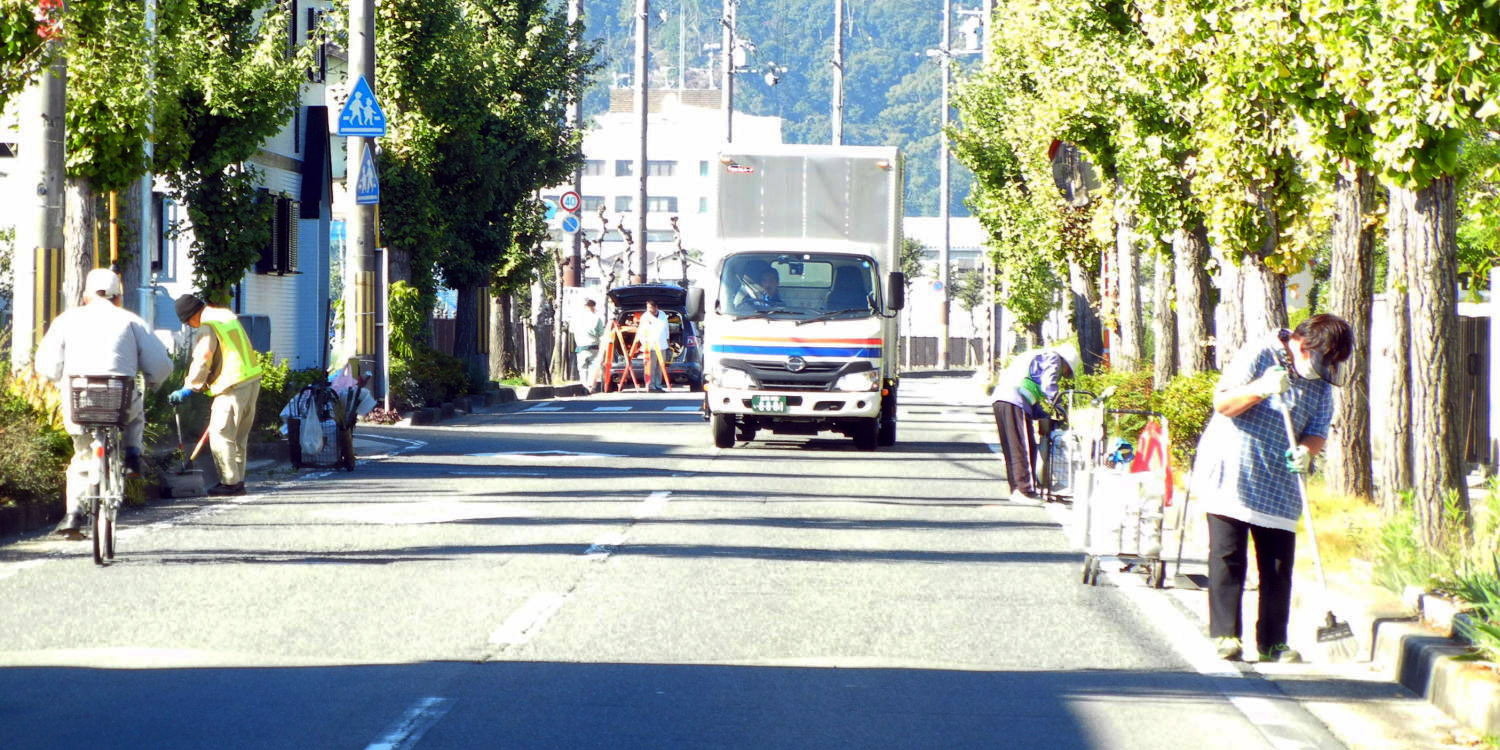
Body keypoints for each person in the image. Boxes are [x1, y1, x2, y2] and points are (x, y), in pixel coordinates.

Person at [1191, 313, 1352, 664]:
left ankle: (1272, 642)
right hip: (1233, 468)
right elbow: (1223, 405)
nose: (1325, 369)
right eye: (1325, 359)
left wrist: (1307, 451)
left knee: (1278, 565)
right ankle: (1226, 636)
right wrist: (1259, 389)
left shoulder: (1321, 382)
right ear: (1302, 345)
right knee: (1228, 556)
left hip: (1281, 477)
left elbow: (1319, 428)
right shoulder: (1260, 354)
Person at [35, 269, 173, 539]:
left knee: (81, 458)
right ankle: (133, 455)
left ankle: (73, 513)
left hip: (79, 401)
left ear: (85, 297)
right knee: (136, 410)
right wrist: (153, 383)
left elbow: (47, 364)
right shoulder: (131, 321)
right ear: (118, 298)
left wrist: (55, 381)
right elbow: (160, 364)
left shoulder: (66, 320)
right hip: (119, 400)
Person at [169, 294, 264, 496]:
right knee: (237, 437)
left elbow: (204, 357)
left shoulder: (207, 325)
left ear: (192, 316)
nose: (191, 327)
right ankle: (237, 480)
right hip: (250, 380)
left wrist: (190, 386)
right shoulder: (225, 316)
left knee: (220, 434)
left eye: (188, 322)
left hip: (232, 384)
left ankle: (230, 483)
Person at [991, 344, 1079, 500]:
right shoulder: (1053, 357)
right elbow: (1048, 386)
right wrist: (1061, 408)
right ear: (1066, 363)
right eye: (1067, 372)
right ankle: (1025, 490)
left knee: (1012, 446)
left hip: (1001, 398)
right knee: (1022, 446)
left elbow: (1034, 391)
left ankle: (1017, 489)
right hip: (1015, 400)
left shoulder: (1037, 356)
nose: (1064, 375)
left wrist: (1045, 413)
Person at [637, 299, 671, 393]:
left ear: (656, 307)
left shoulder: (663, 314)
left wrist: (668, 341)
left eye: (650, 307)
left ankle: (658, 385)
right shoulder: (645, 317)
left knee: (660, 366)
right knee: (650, 367)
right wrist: (644, 343)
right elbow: (641, 332)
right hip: (650, 346)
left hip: (662, 344)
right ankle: (650, 385)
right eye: (647, 307)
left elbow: (666, 328)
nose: (649, 309)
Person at [574, 298, 605, 392]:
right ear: (593, 307)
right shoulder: (597, 318)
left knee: (582, 368)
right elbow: (601, 334)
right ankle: (591, 386)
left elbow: (572, 331)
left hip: (580, 346)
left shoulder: (577, 318)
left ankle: (584, 386)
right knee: (593, 367)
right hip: (593, 346)